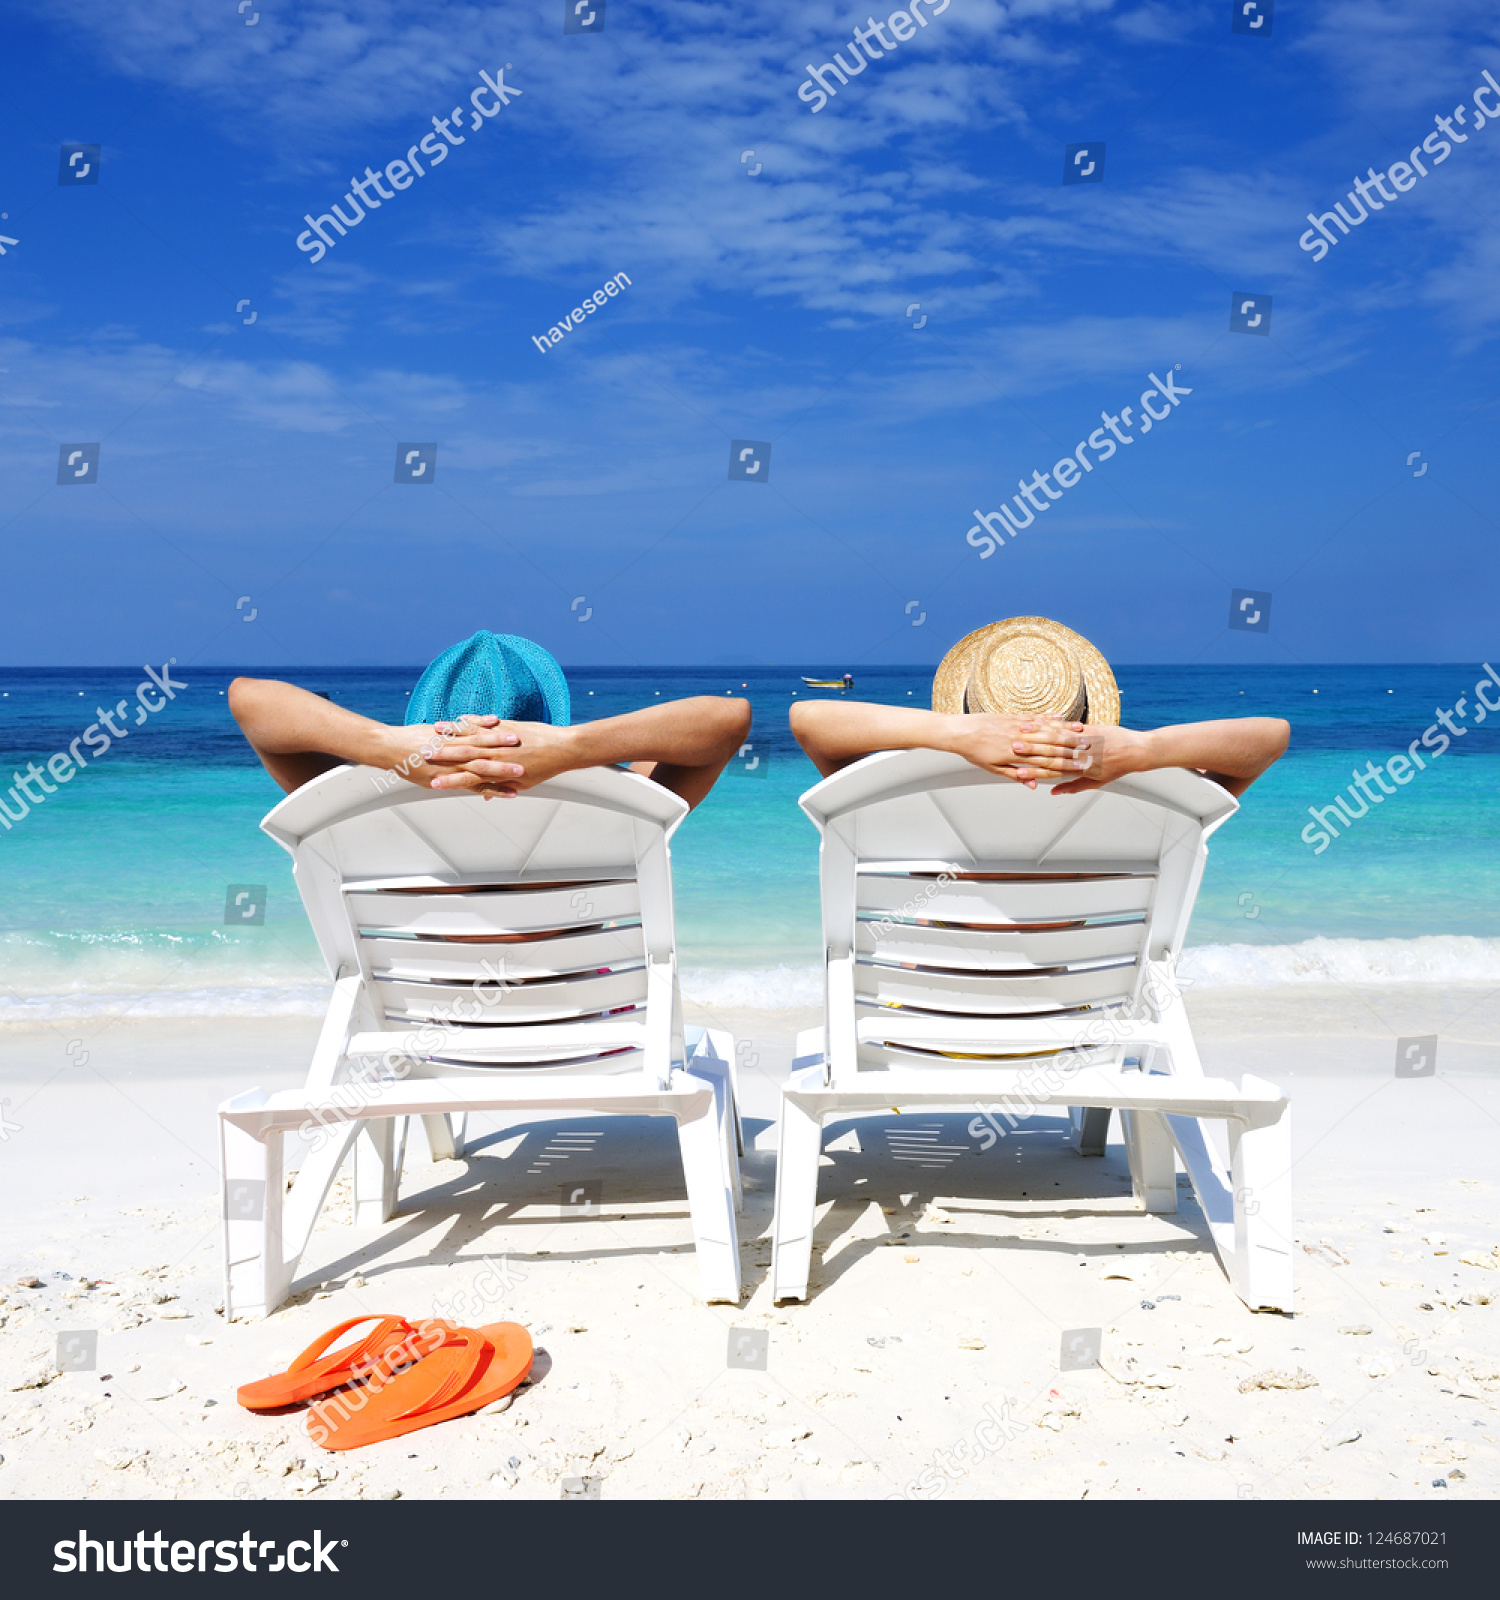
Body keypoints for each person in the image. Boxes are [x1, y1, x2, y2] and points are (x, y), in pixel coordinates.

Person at [229, 631, 750, 809]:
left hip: (423, 1037)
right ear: (548, 721)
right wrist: (573, 749)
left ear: (422, 719)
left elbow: (248, 699)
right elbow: (728, 720)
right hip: (598, 1039)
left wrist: (385, 746)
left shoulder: (360, 806)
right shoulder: (621, 804)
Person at [790, 616, 1289, 798]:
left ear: (965, 706)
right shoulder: (1142, 793)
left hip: (915, 1021)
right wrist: (1145, 748)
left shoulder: (906, 788)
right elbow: (1271, 738)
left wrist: (954, 736)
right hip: (1079, 1014)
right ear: (1091, 712)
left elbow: (807, 719)